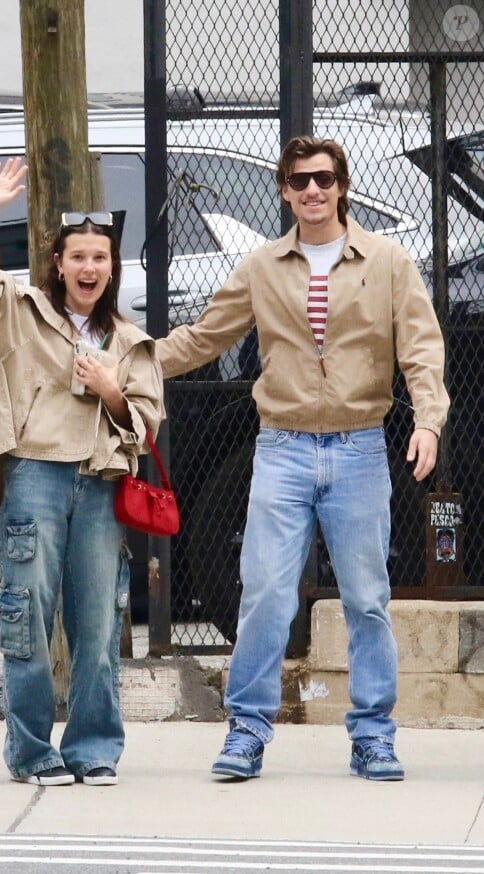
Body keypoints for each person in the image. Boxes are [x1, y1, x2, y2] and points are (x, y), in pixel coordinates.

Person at [156, 135, 449, 782]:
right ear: (285, 192)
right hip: (282, 449)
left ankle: (373, 735)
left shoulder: (389, 261)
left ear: (340, 185)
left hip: (360, 449)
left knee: (368, 598)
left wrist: (428, 420)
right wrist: (131, 362)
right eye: (298, 181)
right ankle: (247, 732)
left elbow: (421, 350)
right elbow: (205, 336)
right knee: (264, 593)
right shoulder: (262, 266)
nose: (311, 190)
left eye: (322, 178)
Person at [0, 158, 165, 786]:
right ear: (58, 264)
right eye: (78, 257)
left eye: (100, 257)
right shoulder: (23, 314)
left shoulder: (130, 340)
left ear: (112, 267)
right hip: (34, 478)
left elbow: (146, 424)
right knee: (26, 617)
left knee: (97, 621)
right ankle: (32, 752)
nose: (89, 267)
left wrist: (112, 389)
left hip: (99, 486)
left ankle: (93, 749)